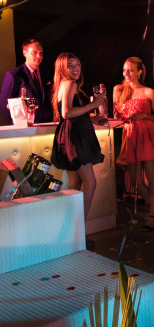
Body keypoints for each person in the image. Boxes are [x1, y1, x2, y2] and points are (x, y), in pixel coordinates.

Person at [113, 57, 154, 231]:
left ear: (139, 72)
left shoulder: (148, 92)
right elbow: (117, 116)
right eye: (124, 70)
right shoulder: (118, 90)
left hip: (147, 135)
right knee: (136, 181)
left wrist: (145, 115)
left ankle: (152, 216)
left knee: (152, 178)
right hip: (130, 136)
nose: (126, 73)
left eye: (130, 70)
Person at [50, 53, 107, 219]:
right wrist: (93, 105)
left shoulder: (64, 84)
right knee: (90, 183)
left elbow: (72, 114)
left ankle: (70, 228)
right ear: (62, 68)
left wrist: (93, 118)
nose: (75, 68)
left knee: (75, 183)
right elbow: (67, 113)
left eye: (77, 64)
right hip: (76, 137)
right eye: (70, 65)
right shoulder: (69, 83)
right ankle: (78, 228)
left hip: (70, 135)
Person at [1, 39, 53, 124]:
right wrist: (16, 125)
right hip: (25, 126)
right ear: (25, 53)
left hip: (47, 124)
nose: (39, 56)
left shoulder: (47, 74)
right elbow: (4, 104)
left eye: (41, 53)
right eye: (34, 53)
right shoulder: (14, 75)